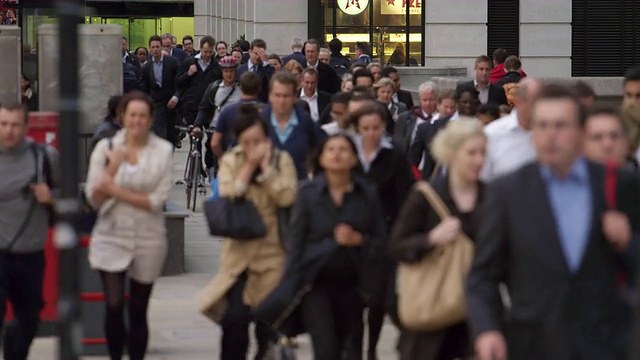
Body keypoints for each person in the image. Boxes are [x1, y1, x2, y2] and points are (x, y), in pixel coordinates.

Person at [467, 83, 640, 360]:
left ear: (581, 132)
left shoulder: (618, 184)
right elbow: (482, 276)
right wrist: (487, 329)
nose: (550, 135)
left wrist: (628, 242)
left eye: (561, 125)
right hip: (534, 342)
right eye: (542, 125)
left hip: (606, 342)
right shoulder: (508, 191)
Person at [198, 104, 298, 360]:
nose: (253, 146)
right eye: (247, 141)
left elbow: (287, 196)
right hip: (238, 251)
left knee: (268, 321)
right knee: (234, 319)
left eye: (258, 140)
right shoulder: (232, 159)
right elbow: (229, 193)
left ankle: (265, 352)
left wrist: (266, 171)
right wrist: (249, 168)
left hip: (272, 251)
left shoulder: (280, 159)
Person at [85, 92, 174, 360]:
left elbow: (157, 200)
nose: (136, 121)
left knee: (138, 307)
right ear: (122, 117)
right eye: (131, 115)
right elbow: (94, 196)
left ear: (150, 119)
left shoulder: (163, 150)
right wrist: (112, 169)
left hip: (148, 234)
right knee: (113, 305)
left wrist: (115, 190)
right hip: (112, 231)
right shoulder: (106, 147)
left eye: (142, 116)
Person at [392, 118, 486, 360]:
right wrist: (431, 239)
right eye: (472, 153)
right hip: (433, 309)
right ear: (452, 154)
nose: (479, 160)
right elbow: (397, 247)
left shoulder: (492, 197)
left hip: (477, 314)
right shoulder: (426, 195)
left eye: (483, 152)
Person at [286, 134, 386, 360]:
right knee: (326, 348)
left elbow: (381, 241)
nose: (337, 154)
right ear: (321, 158)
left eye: (344, 150)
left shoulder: (366, 193)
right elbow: (295, 241)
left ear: (353, 158)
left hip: (354, 284)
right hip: (316, 282)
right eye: (331, 149)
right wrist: (290, 282)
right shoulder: (308, 193)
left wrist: (358, 239)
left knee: (350, 347)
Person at [351, 104, 414, 360]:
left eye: (376, 127)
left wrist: (400, 234)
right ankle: (354, 349)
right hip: (351, 236)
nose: (371, 133)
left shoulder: (394, 157)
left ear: (384, 127)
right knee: (353, 300)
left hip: (384, 236)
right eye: (365, 128)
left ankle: (372, 348)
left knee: (379, 299)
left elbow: (406, 198)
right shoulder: (348, 155)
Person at [0, 103, 58, 360]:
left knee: (28, 322)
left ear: (25, 127)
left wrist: (51, 197)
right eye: (3, 124)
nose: (9, 130)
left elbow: (70, 200)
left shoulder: (44, 157)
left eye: (14, 124)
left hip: (30, 253)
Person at [262, 71, 325, 179]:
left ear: (294, 97)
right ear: (270, 96)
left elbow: (323, 147)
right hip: (266, 189)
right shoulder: (259, 122)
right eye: (277, 95)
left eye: (286, 96)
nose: (281, 101)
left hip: (298, 187)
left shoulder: (305, 122)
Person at [481, 78, 542, 181]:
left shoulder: (553, 134)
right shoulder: (492, 134)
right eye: (533, 103)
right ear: (518, 101)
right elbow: (482, 179)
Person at [192, 55, 242, 178]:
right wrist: (197, 125)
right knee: (214, 157)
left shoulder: (241, 88)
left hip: (235, 131)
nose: (229, 74)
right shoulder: (214, 88)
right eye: (226, 71)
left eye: (231, 71)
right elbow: (204, 108)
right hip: (216, 129)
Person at [210, 71, 263, 159]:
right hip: (260, 159)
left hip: (236, 159)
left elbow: (215, 143)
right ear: (259, 88)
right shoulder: (268, 111)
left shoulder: (228, 111)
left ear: (241, 88)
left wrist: (223, 158)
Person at [139, 35, 180, 144]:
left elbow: (179, 82)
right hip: (156, 104)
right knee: (159, 134)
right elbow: (144, 88)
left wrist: (176, 97)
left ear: (161, 47)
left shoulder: (172, 62)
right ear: (150, 48)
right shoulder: (147, 67)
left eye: (157, 47)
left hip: (171, 103)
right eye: (153, 47)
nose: (155, 49)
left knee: (171, 136)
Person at [175, 35, 222, 128]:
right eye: (205, 52)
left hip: (210, 105)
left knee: (211, 135)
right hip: (192, 105)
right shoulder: (189, 62)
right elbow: (178, 82)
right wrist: (188, 74)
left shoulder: (216, 65)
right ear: (200, 49)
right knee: (195, 134)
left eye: (210, 52)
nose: (208, 55)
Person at [394, 81, 438, 153]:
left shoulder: (442, 118)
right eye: (424, 100)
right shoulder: (405, 118)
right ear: (420, 100)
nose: (428, 103)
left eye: (431, 100)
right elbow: (398, 143)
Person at [237, 39, 275, 103]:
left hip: (261, 105)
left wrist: (265, 63)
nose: (257, 57)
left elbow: (272, 83)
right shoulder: (240, 69)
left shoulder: (267, 69)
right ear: (250, 52)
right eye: (256, 53)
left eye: (260, 54)